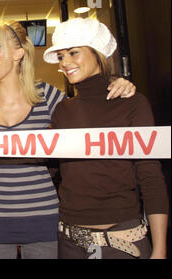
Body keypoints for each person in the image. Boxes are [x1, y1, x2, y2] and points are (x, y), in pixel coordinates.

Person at [0, 20, 137, 259]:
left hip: (44, 220)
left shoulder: (48, 96)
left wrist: (115, 84)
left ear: (18, 53)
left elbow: (89, 113)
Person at [43, 17, 169, 259]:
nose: (65, 62)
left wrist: (160, 248)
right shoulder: (63, 110)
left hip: (124, 241)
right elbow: (48, 163)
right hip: (70, 241)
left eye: (73, 53)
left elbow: (150, 175)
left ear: (98, 53)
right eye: (61, 56)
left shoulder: (132, 102)